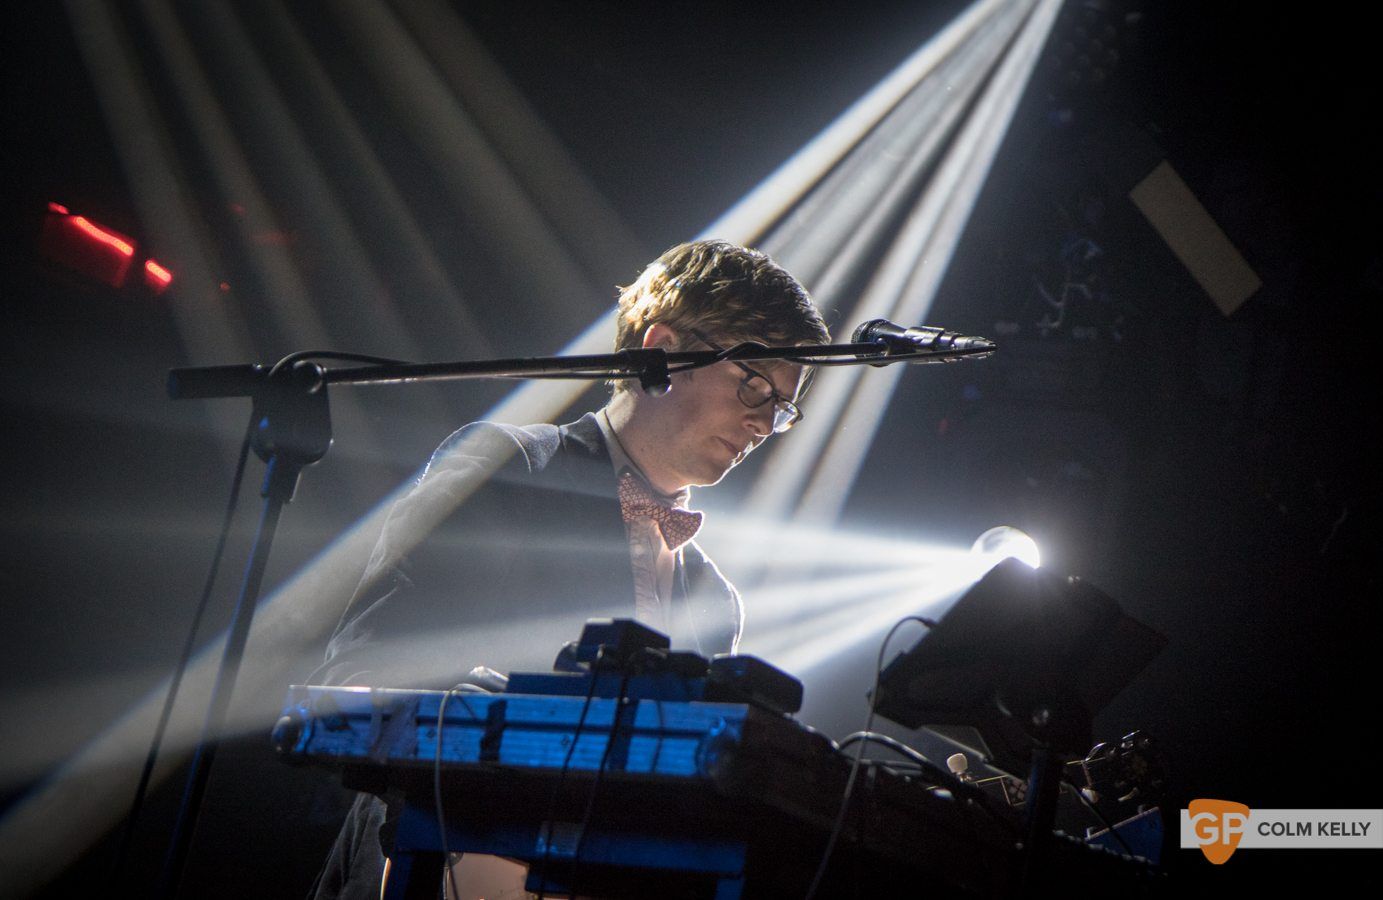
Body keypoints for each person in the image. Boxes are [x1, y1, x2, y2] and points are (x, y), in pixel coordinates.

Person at [305, 238, 830, 899]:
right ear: (663, 350)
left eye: (781, 407)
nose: (761, 422)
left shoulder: (714, 600)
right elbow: (356, 674)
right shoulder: (514, 468)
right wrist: (489, 721)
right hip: (433, 864)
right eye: (754, 383)